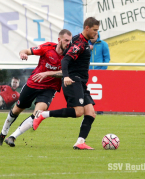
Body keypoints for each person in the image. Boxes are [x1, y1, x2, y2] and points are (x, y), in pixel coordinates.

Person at [0, 29, 72, 147]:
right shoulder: (47, 48)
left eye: (70, 41)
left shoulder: (70, 54)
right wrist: (23, 53)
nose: (68, 43)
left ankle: (13, 137)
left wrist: (47, 74)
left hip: (49, 89)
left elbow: (66, 73)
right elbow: (25, 50)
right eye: (66, 40)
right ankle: (2, 134)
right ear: (59, 40)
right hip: (34, 83)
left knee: (38, 113)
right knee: (16, 110)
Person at [33, 17, 100, 150]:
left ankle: (80, 142)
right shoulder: (79, 43)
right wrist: (67, 77)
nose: (96, 33)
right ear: (87, 28)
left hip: (81, 82)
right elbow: (65, 60)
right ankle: (42, 114)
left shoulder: (81, 41)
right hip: (74, 80)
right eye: (94, 30)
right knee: (79, 112)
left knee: (91, 113)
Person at [89, 31, 110, 115]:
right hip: (87, 72)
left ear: (98, 35)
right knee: (88, 92)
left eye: (95, 34)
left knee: (100, 92)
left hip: (100, 73)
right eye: (92, 34)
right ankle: (88, 110)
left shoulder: (103, 44)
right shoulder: (85, 45)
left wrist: (102, 70)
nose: (94, 36)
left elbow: (107, 58)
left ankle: (100, 110)